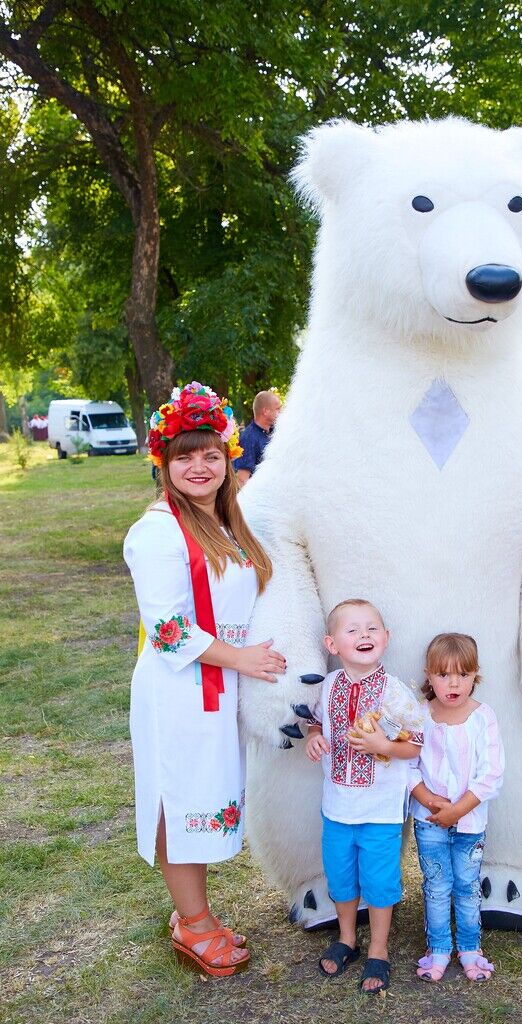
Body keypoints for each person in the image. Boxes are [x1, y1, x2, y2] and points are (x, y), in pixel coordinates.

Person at [124, 382, 287, 978]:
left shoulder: (223, 523)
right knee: (180, 796)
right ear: (164, 465)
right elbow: (167, 628)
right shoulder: (159, 532)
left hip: (216, 689)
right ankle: (193, 924)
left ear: (227, 459)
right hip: (180, 690)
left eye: (210, 454)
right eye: (184, 456)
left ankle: (194, 913)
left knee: (204, 795)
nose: (200, 466)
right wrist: (242, 660)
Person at [304, 599, 423, 995]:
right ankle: (346, 938)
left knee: (379, 881)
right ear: (332, 644)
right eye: (352, 630)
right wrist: (314, 737)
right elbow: (313, 723)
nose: (364, 636)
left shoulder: (396, 692)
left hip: (381, 810)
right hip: (336, 806)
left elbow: (417, 745)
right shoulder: (327, 686)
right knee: (340, 876)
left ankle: (378, 949)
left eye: (372, 628)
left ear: (386, 639)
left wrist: (384, 746)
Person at [409, 633, 505, 983]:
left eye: (463, 675)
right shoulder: (419, 716)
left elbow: (491, 774)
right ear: (429, 675)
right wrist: (432, 802)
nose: (454, 683)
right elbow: (408, 767)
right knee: (436, 886)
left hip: (470, 823)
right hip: (429, 820)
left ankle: (469, 949)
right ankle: (438, 950)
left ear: (475, 675)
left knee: (466, 886)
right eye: (444, 674)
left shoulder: (484, 717)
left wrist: (457, 810)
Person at [234, 390, 281, 484]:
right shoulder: (249, 438)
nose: (281, 412)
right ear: (265, 411)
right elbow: (242, 479)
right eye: (277, 409)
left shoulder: (274, 432)